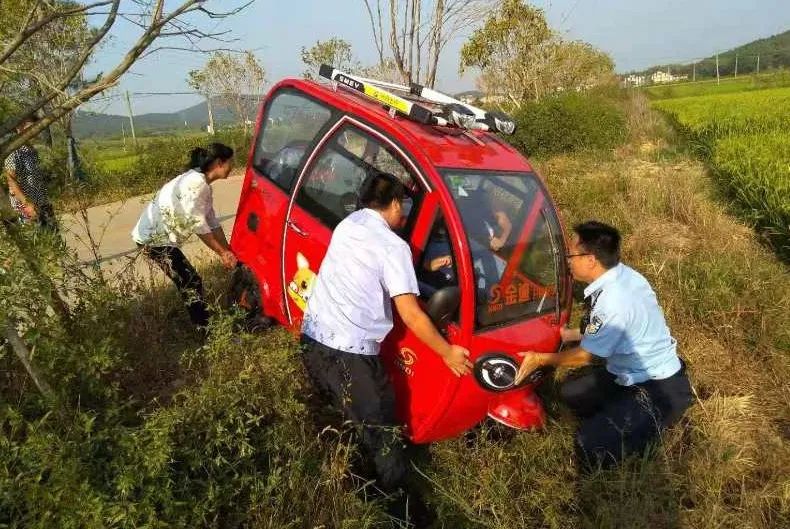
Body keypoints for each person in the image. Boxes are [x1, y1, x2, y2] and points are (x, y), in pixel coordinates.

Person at [300, 172, 472, 521]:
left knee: (337, 416)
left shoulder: (349, 223)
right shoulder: (394, 246)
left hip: (312, 337)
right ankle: (403, 513)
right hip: (350, 353)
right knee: (382, 432)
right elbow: (410, 312)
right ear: (395, 203)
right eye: (403, 204)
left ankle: (344, 478)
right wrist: (447, 352)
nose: (404, 212)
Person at [515, 220, 694, 470]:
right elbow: (610, 329)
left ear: (590, 259)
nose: (567, 260)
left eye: (571, 254)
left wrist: (539, 358)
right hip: (627, 373)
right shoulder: (625, 276)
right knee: (570, 394)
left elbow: (585, 357)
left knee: (589, 444)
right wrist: (572, 335)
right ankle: (620, 412)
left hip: (660, 385)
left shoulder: (613, 301)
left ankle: (653, 418)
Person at [132, 143, 238, 331]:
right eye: (230, 162)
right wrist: (223, 253)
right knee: (191, 282)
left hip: (156, 239)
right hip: (154, 241)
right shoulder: (196, 184)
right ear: (220, 163)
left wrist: (228, 249)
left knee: (189, 281)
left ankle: (203, 325)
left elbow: (212, 221)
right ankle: (205, 330)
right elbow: (200, 227)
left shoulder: (200, 182)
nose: (233, 166)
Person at [3, 116, 57, 229]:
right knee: (37, 241)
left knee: (53, 240)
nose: (36, 132)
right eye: (32, 128)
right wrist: (27, 204)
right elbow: (11, 181)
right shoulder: (15, 152)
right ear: (19, 128)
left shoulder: (32, 150)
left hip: (42, 204)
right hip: (27, 208)